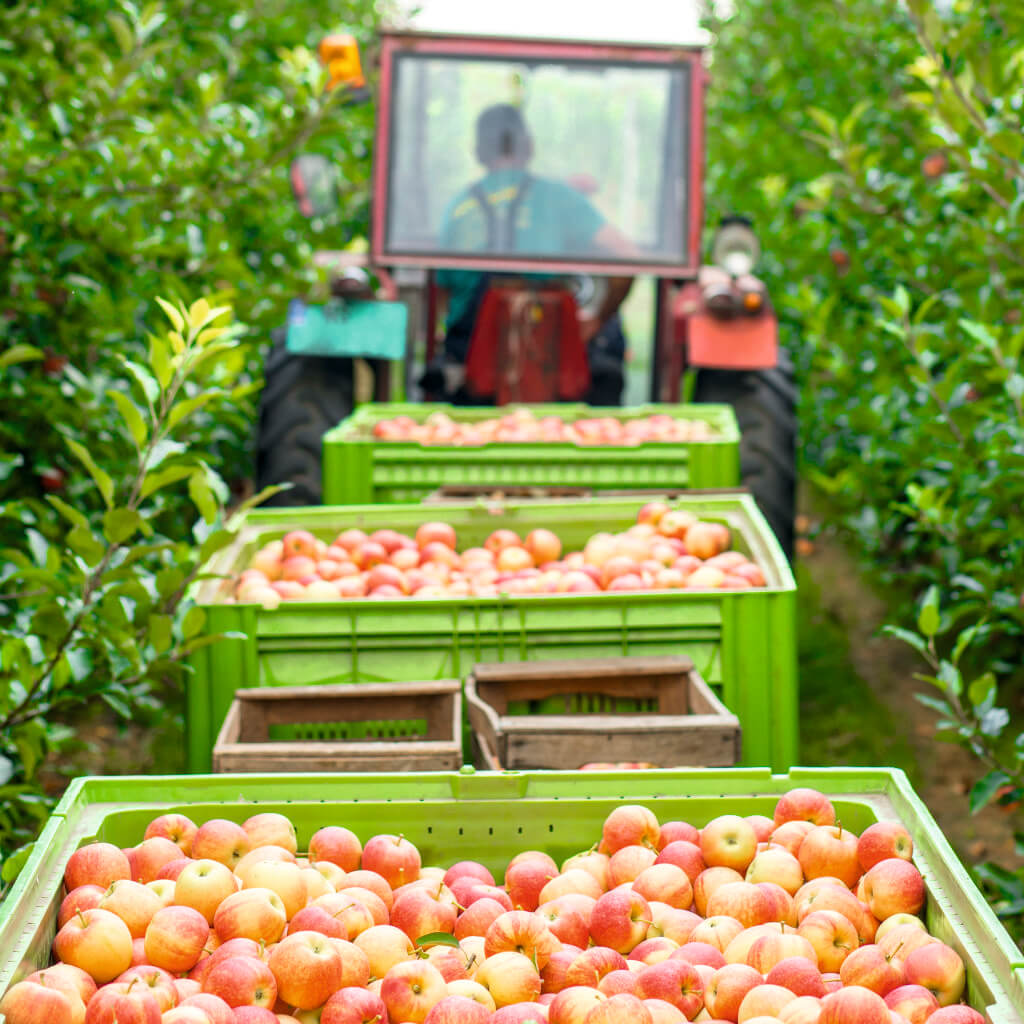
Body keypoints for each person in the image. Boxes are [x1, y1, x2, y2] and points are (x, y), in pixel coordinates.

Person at [426, 103, 637, 404]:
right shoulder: (559, 197)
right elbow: (627, 255)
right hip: (553, 354)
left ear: (478, 151)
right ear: (529, 146)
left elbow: (443, 295)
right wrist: (597, 318)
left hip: (469, 361)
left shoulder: (458, 208)